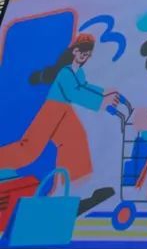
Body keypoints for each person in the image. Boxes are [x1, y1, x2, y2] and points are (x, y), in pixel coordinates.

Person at [0, 32, 117, 215]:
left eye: (88, 53)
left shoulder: (79, 72)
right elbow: (74, 93)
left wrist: (104, 91)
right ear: (74, 51)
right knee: (29, 149)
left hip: (64, 111)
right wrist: (100, 102)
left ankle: (76, 192)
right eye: (82, 51)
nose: (84, 55)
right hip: (53, 109)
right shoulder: (65, 73)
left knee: (76, 140)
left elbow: (84, 86)